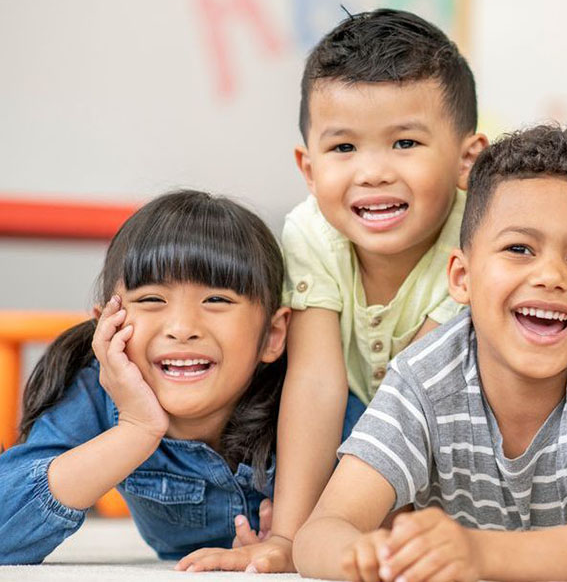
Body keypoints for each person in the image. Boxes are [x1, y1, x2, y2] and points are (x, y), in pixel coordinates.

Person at [293, 124, 567, 582]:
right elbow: (320, 533)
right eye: (519, 248)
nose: (551, 276)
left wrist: (475, 553)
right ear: (462, 277)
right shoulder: (424, 376)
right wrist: (376, 558)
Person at [186, 9, 488, 572]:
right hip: (348, 431)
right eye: (343, 148)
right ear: (308, 166)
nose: (372, 172)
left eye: (404, 142)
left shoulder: (478, 235)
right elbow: (317, 381)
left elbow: (416, 390)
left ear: (467, 159)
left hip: (450, 429)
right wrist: (291, 537)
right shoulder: (312, 230)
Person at [0, 190, 355, 564]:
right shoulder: (96, 392)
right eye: (152, 299)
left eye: (217, 300)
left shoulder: (314, 399)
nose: (183, 328)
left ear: (272, 335)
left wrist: (302, 536)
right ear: (106, 325)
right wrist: (136, 429)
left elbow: (394, 510)